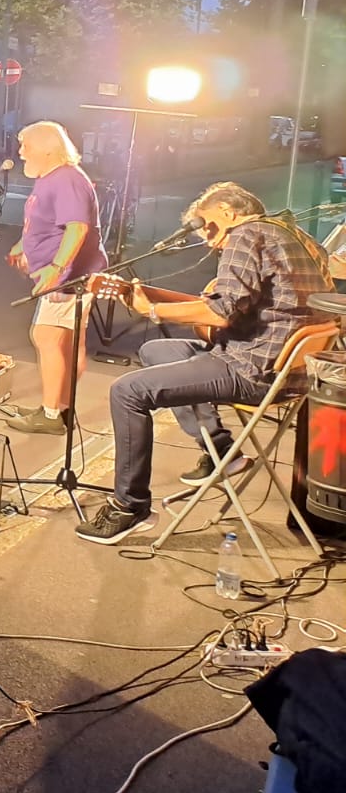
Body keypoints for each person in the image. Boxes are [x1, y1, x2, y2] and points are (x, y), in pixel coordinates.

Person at [75, 184, 332, 544]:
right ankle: (221, 450)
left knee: (126, 391)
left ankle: (129, 507)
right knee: (157, 351)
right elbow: (239, 306)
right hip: (290, 371)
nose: (210, 241)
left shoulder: (247, 233)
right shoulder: (294, 235)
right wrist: (143, 296)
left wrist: (151, 309)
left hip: (252, 369)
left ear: (228, 211)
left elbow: (220, 312)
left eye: (208, 226)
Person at [4, 121, 107, 438]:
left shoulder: (67, 180)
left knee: (48, 337)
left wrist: (55, 268)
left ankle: (52, 414)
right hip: (68, 274)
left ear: (48, 147)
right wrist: (24, 246)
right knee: (65, 343)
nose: (21, 152)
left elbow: (77, 228)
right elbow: (46, 222)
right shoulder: (53, 177)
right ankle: (59, 408)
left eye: (26, 145)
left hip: (69, 278)